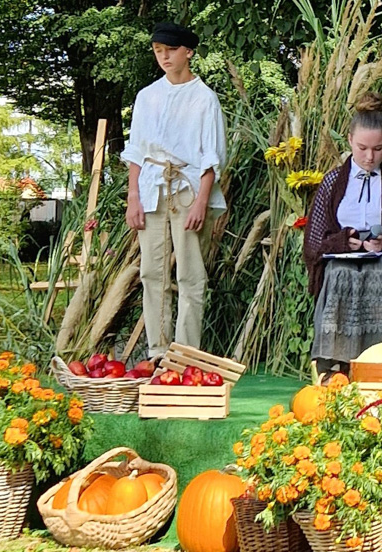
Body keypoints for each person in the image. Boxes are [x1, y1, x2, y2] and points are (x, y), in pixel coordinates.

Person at [121, 22, 227, 358]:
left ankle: (185, 355)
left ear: (189, 51)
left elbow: (211, 158)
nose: (164, 56)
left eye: (170, 50)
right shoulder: (147, 97)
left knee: (190, 274)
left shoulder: (204, 99)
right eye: (158, 51)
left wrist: (201, 202)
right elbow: (137, 151)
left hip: (187, 188)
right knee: (152, 273)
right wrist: (133, 197)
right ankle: (157, 352)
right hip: (151, 188)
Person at [303, 92, 382, 374]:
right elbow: (312, 243)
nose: (370, 157)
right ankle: (335, 366)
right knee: (340, 274)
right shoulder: (333, 182)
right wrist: (342, 241)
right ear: (349, 141)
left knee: (380, 275)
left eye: (378, 149)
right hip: (343, 258)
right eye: (362, 148)